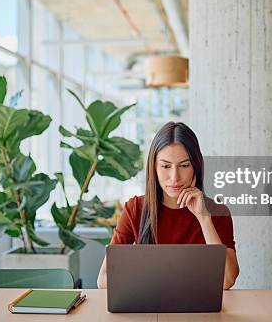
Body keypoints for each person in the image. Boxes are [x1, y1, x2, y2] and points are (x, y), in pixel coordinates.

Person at [97, 121, 239, 289]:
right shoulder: (135, 208)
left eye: (184, 165)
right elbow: (104, 280)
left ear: (196, 167)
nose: (174, 177)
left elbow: (227, 280)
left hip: (198, 312)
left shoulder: (217, 212)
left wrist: (204, 219)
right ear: (154, 168)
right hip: (148, 307)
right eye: (165, 166)